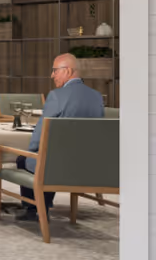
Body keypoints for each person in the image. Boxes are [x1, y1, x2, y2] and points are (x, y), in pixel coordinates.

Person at [14, 53, 104, 222]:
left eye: (55, 70)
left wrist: (31, 152)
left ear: (68, 71)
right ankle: (43, 206)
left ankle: (35, 209)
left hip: (58, 166)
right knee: (50, 157)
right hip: (88, 166)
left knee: (26, 159)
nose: (52, 75)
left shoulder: (56, 96)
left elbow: (40, 134)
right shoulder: (97, 97)